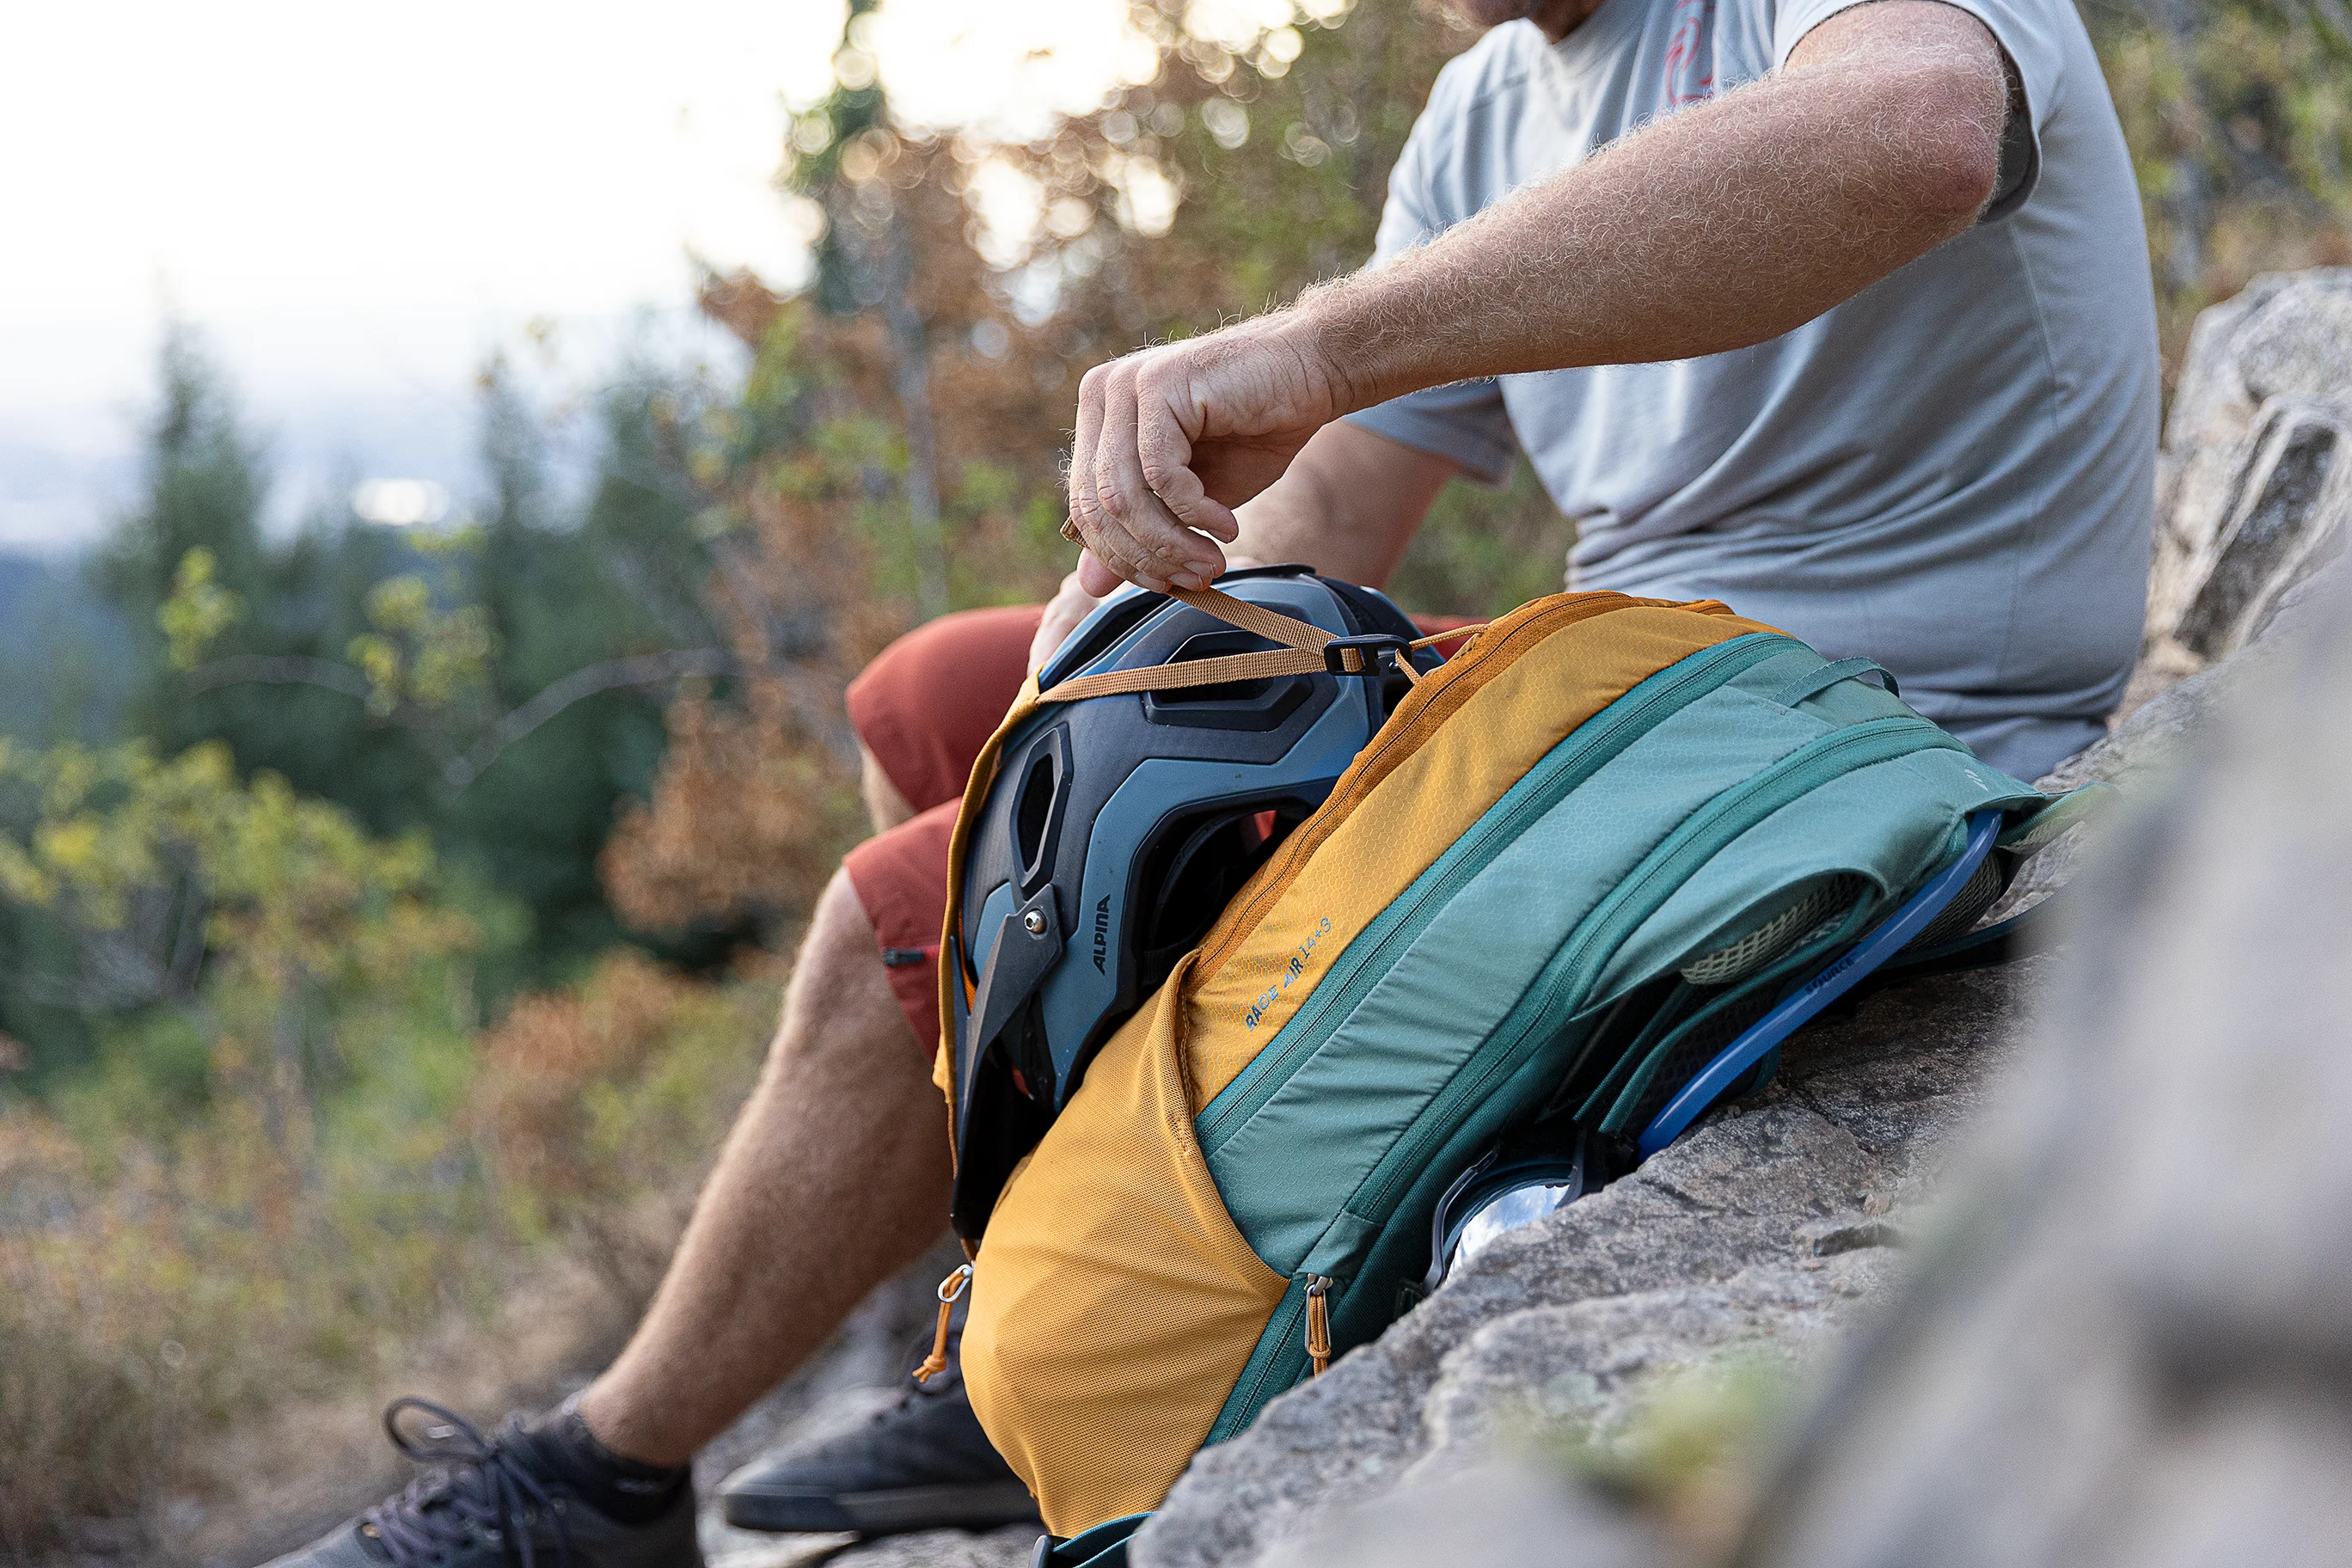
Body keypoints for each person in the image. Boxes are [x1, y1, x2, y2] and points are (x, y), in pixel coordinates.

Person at [266, 0, 2156, 1560]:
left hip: (1845, 737)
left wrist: (1317, 336)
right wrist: (1127, 620)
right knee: (949, 709)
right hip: (1630, 705)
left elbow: (1910, 136)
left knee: (897, 925)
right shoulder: (1491, 107)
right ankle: (1012, 1325)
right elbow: (1329, 513)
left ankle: (599, 1481)